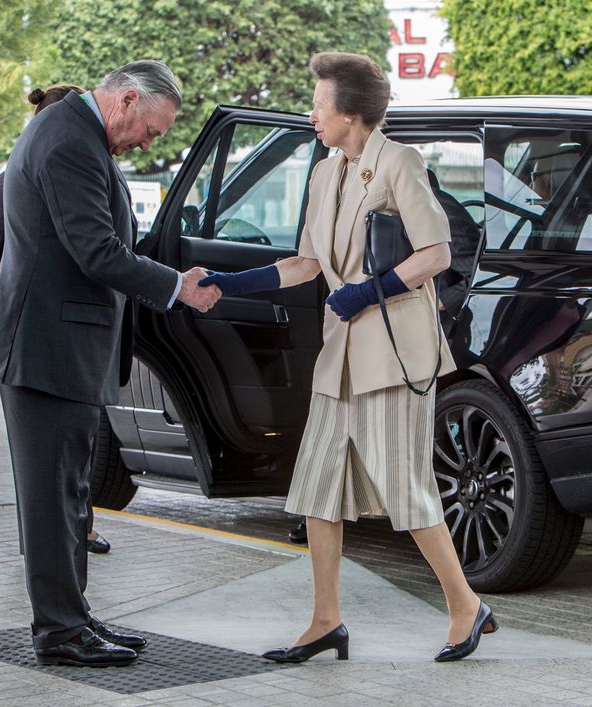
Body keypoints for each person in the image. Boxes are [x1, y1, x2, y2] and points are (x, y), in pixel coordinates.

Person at [200, 52, 498, 663]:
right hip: (341, 358)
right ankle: (325, 620)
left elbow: (436, 251)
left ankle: (466, 606)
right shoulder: (324, 173)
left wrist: (372, 288)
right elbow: (305, 265)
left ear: (352, 113)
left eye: (319, 103)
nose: (311, 113)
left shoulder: (399, 163)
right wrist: (228, 284)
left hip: (393, 353)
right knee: (317, 489)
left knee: (407, 491)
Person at [0, 60, 220, 668]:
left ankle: (74, 618)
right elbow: (96, 250)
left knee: (68, 495)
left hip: (56, 350)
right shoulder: (67, 140)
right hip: (45, 352)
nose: (146, 143)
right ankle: (58, 633)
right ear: (127, 99)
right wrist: (175, 287)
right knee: (52, 498)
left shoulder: (74, 134)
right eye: (151, 130)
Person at [0, 85, 113, 557]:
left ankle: (76, 532)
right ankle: (48, 545)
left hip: (71, 338)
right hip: (35, 330)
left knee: (73, 456)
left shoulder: (81, 162)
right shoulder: (26, 170)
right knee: (48, 463)